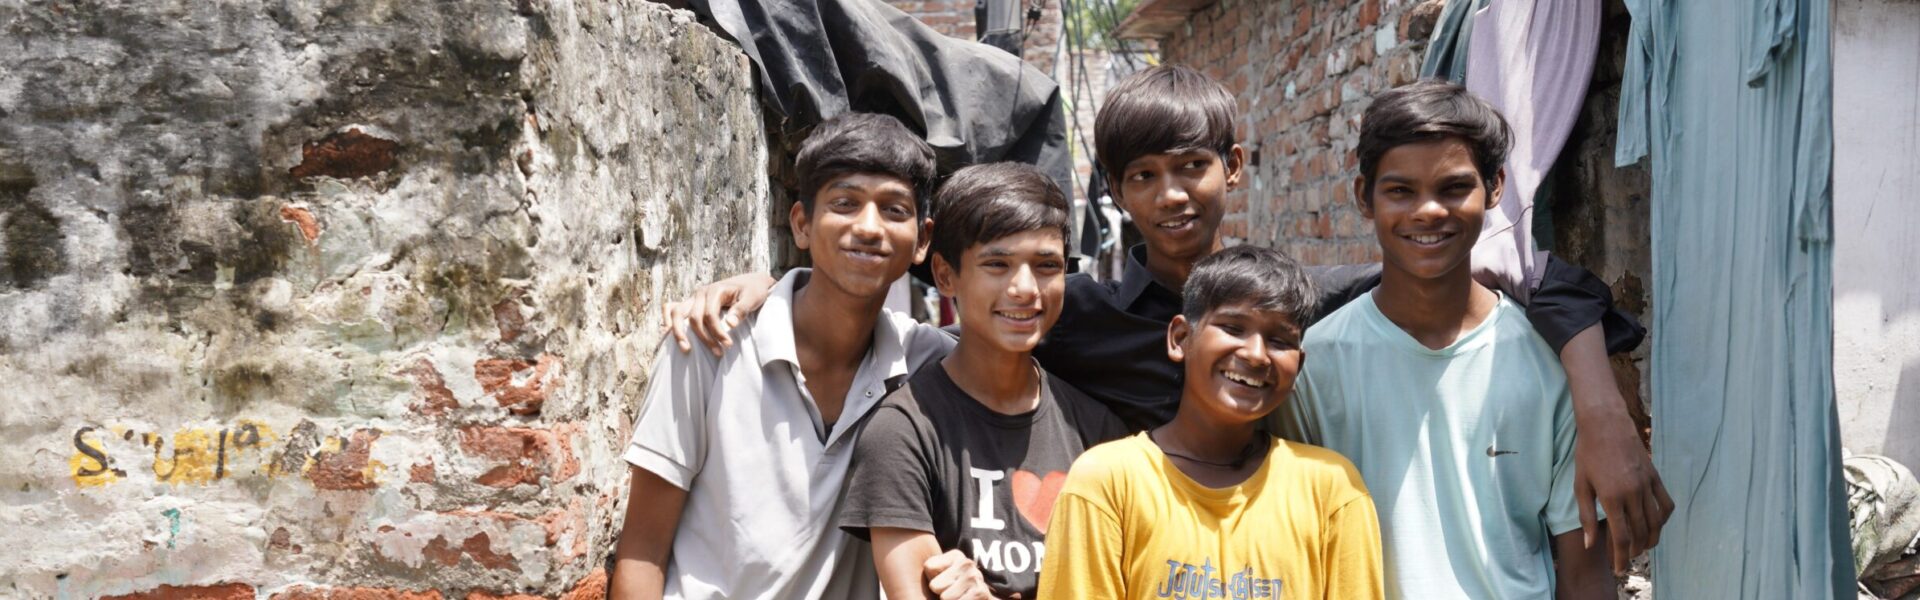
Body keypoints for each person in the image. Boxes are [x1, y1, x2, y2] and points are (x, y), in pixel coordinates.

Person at [662, 65, 1671, 573]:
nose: (1173, 197)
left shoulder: (1307, 302)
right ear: (1115, 193)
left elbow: (1517, 280)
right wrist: (776, 287)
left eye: (1193, 167)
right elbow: (957, 325)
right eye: (1143, 177)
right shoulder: (1079, 315)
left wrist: (1597, 397)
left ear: (1236, 168)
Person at [609, 113, 985, 599]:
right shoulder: (708, 344)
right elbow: (643, 550)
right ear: (802, 223)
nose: (869, 228)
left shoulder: (928, 363)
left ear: (922, 240)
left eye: (894, 210)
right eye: (845, 204)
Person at [1275, 80, 1613, 598]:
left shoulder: (1547, 361)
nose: (1428, 211)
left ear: (1495, 187)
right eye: (1400, 191)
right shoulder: (1316, 365)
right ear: (1364, 196)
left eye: (1454, 188)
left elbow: (1584, 567)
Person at [837, 162, 1130, 599]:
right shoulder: (903, 431)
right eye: (998, 264)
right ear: (945, 275)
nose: (1025, 288)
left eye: (1047, 265)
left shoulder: (1097, 432)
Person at [1038, 245, 1383, 599]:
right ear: (1180, 338)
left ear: (1299, 365)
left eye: (1280, 341)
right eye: (1233, 328)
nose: (1256, 354)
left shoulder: (1331, 490)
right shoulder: (1108, 483)